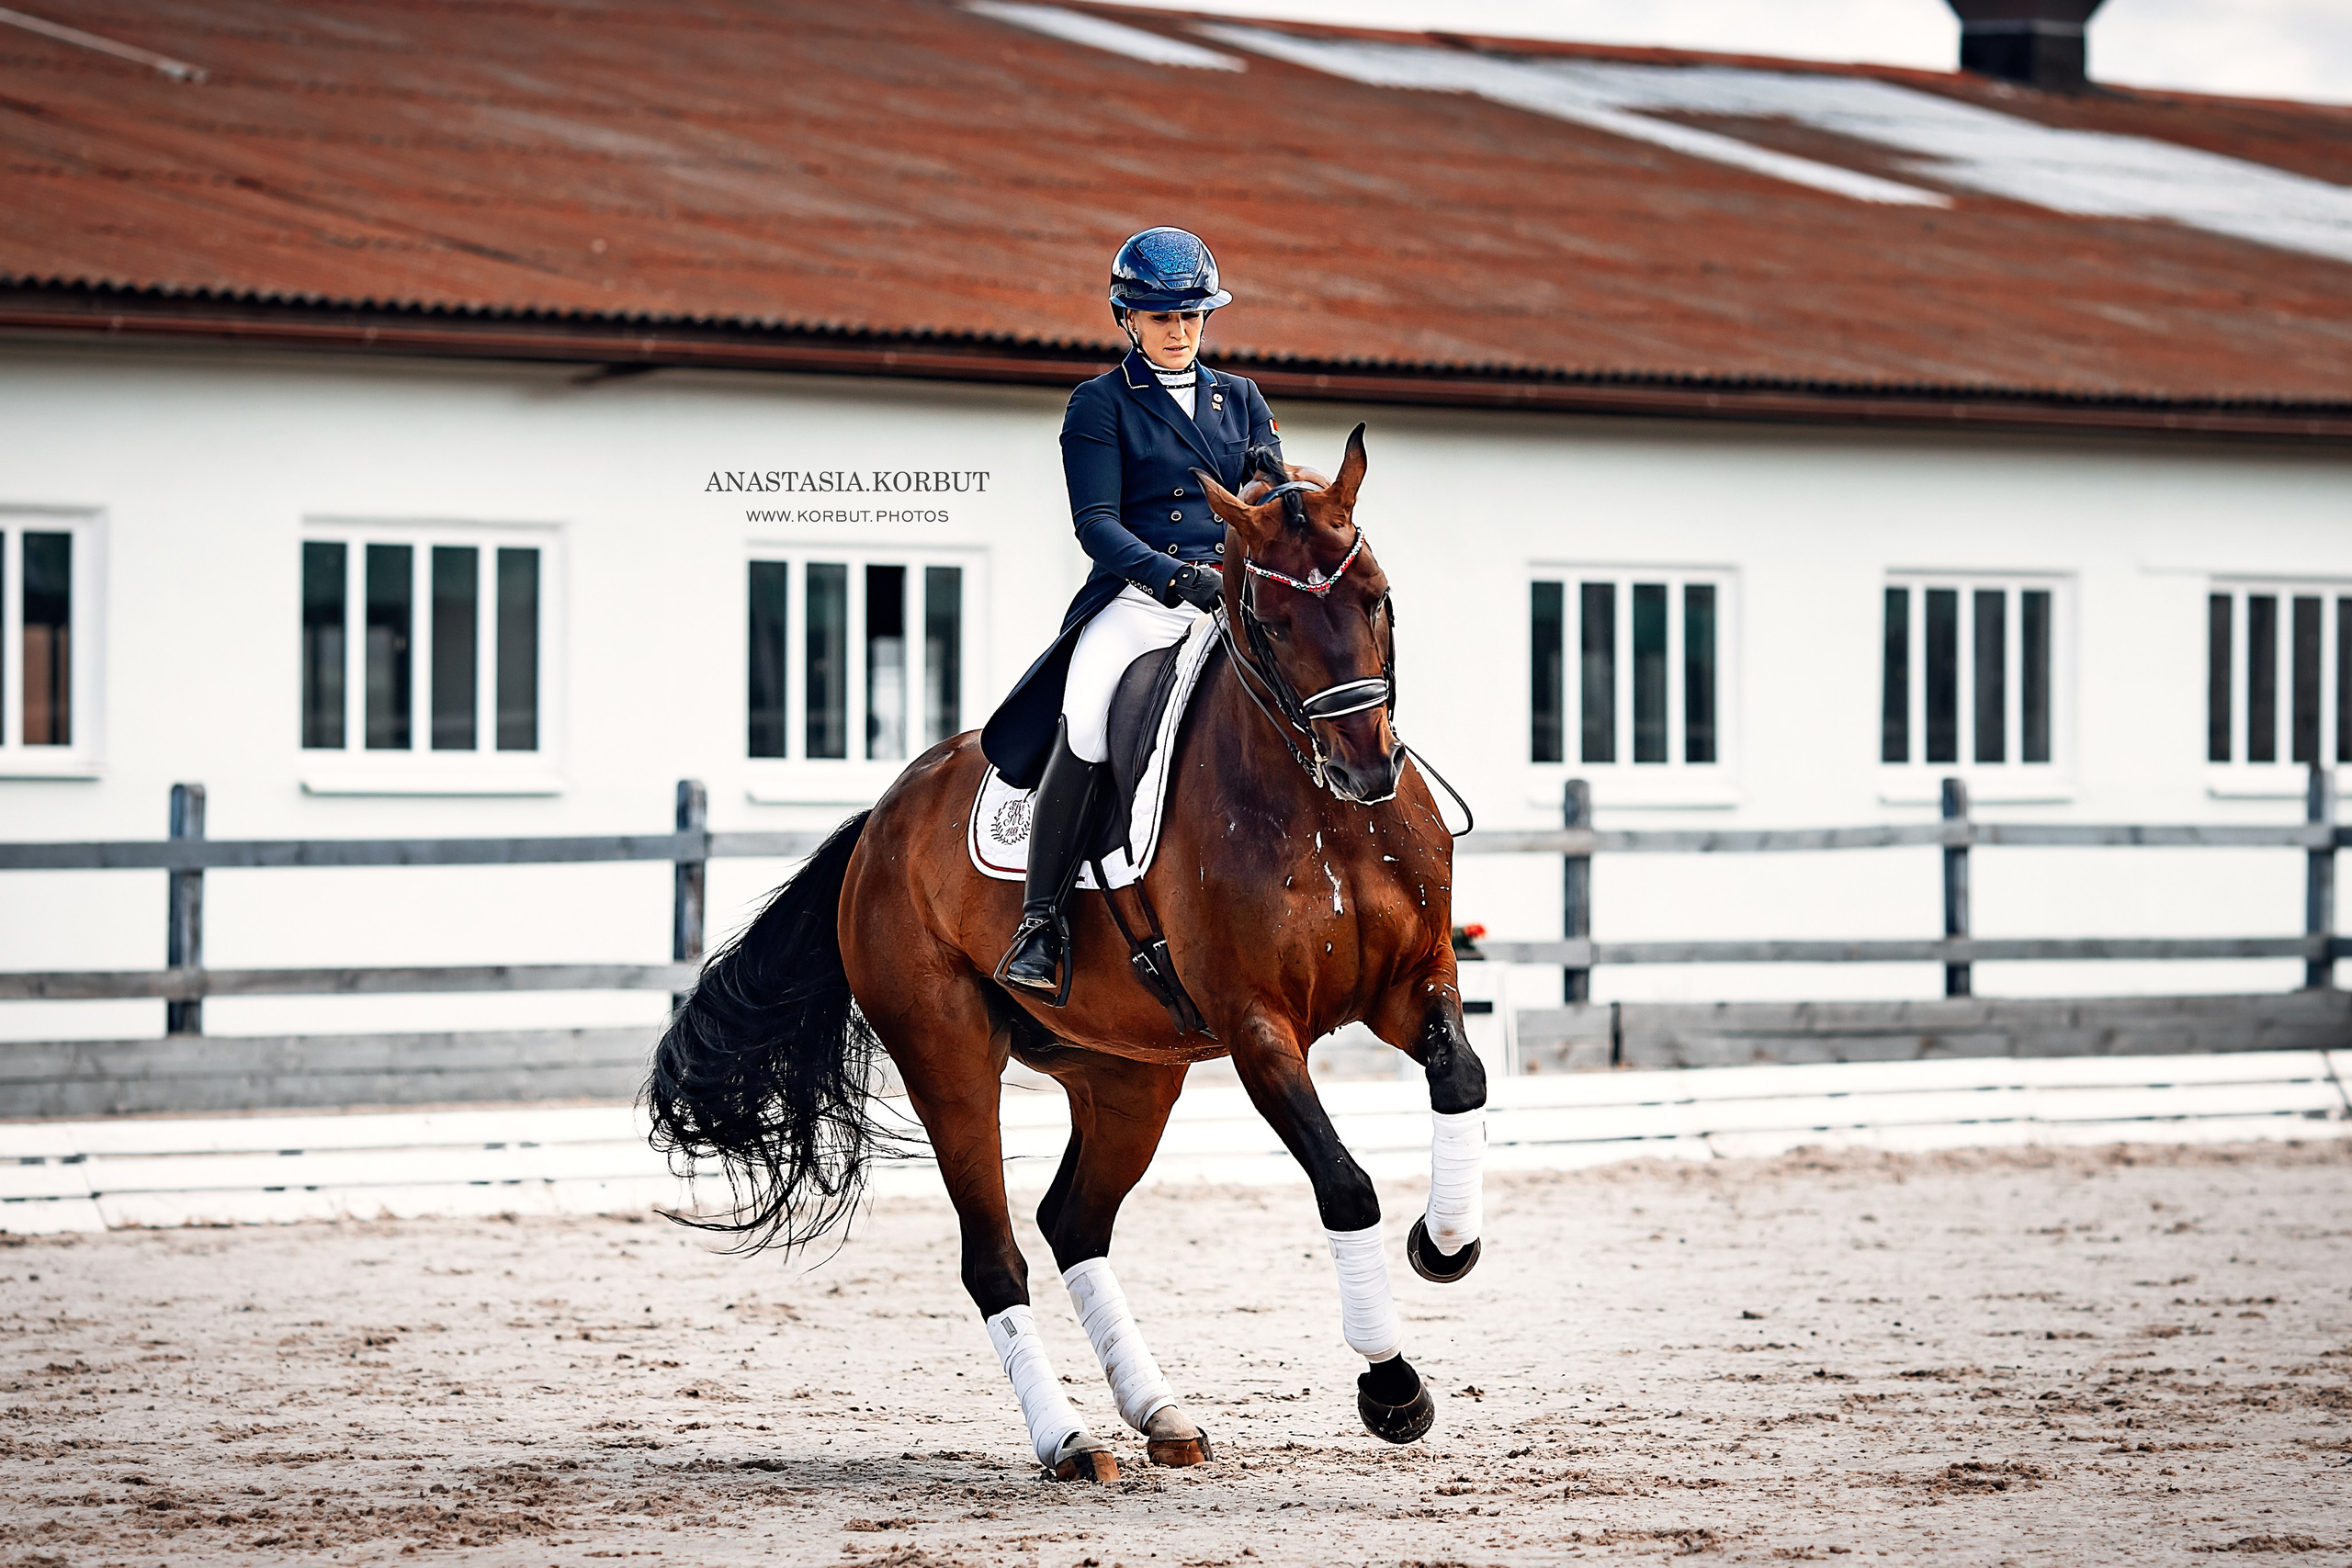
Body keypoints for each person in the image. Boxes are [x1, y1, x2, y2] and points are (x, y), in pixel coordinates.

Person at [979, 226, 1283, 997]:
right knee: (1084, 719)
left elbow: (1270, 495)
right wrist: (1175, 578)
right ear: (1128, 320)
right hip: (1140, 601)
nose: (1179, 332)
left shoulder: (1240, 398)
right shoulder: (1100, 404)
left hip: (1231, 601)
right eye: (1162, 318)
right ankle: (1040, 923)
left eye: (1191, 316)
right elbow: (1097, 524)